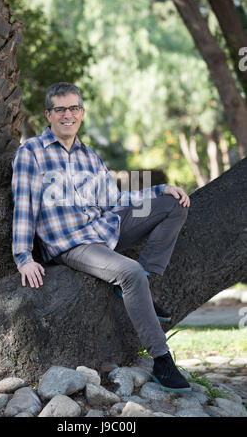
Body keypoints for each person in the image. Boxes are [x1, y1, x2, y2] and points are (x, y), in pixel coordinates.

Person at [11, 82, 191, 393]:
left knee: (174, 205)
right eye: (60, 109)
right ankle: (162, 359)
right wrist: (23, 257)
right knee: (128, 271)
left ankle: (146, 277)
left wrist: (160, 189)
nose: (68, 115)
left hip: (103, 226)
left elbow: (114, 201)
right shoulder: (31, 153)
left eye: (73, 108)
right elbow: (24, 205)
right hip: (72, 244)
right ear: (48, 115)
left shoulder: (89, 156)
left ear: (81, 112)